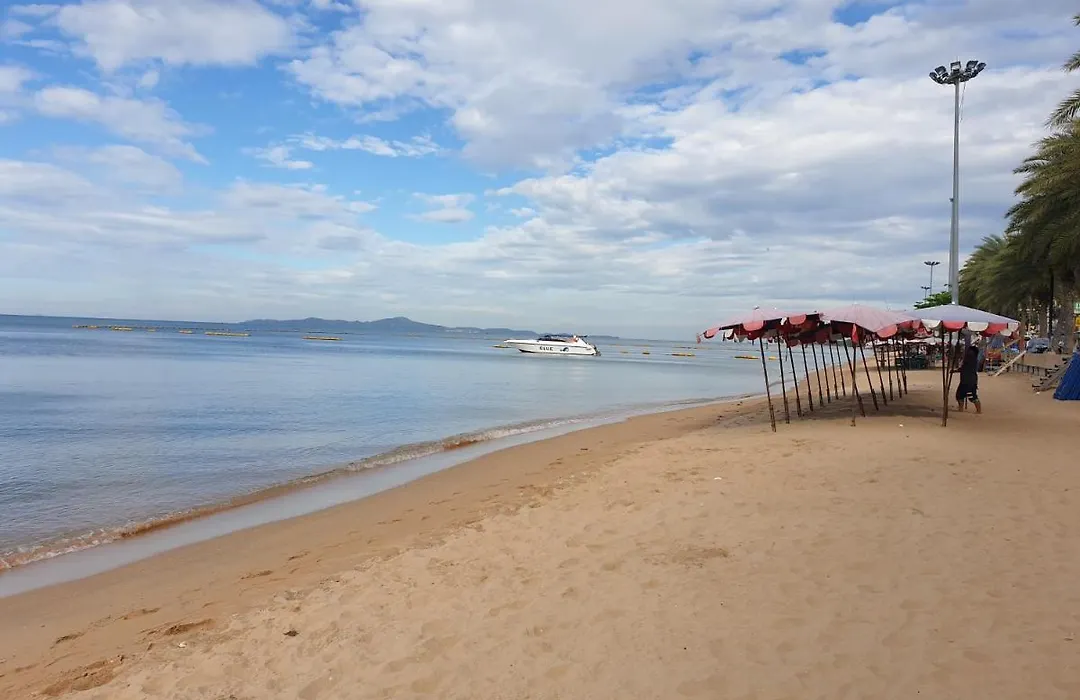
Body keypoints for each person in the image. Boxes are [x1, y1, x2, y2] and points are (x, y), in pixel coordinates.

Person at [955, 344, 982, 413]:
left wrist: (956, 370)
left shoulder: (971, 359)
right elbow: (963, 368)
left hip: (969, 381)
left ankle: (979, 410)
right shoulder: (969, 359)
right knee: (959, 395)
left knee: (972, 397)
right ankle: (960, 408)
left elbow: (964, 368)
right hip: (965, 380)